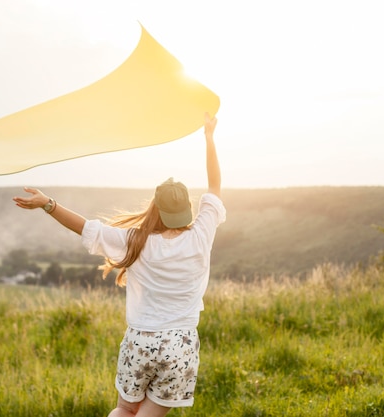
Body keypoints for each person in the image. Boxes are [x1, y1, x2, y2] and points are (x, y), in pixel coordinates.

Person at [13, 113, 226, 417]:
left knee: (125, 410)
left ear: (156, 210)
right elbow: (215, 185)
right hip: (180, 345)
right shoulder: (202, 234)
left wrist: (48, 204)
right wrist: (209, 137)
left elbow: (86, 228)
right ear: (189, 210)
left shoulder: (134, 240)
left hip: (140, 340)